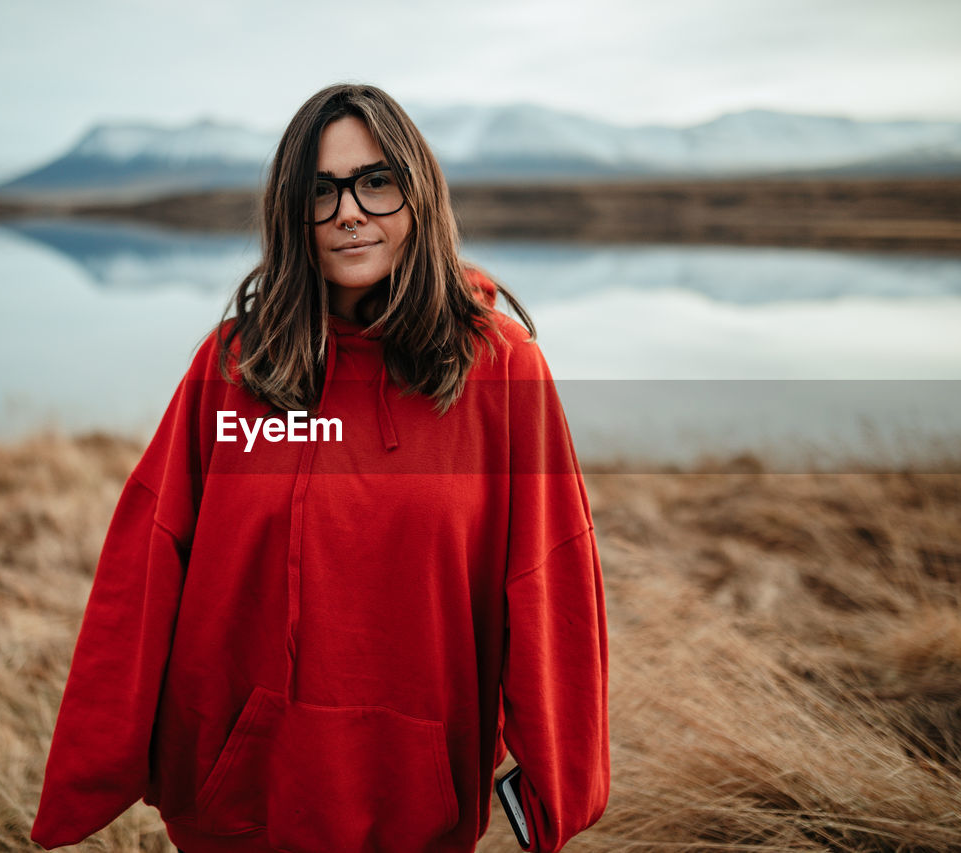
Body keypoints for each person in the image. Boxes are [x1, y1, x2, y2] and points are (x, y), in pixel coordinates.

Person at [30, 83, 609, 853]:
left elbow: (549, 578)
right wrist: (89, 771)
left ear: (419, 195)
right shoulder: (235, 365)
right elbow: (145, 561)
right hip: (238, 802)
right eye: (321, 190)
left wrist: (556, 787)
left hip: (414, 807)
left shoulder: (501, 372)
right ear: (290, 212)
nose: (348, 211)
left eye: (377, 181)